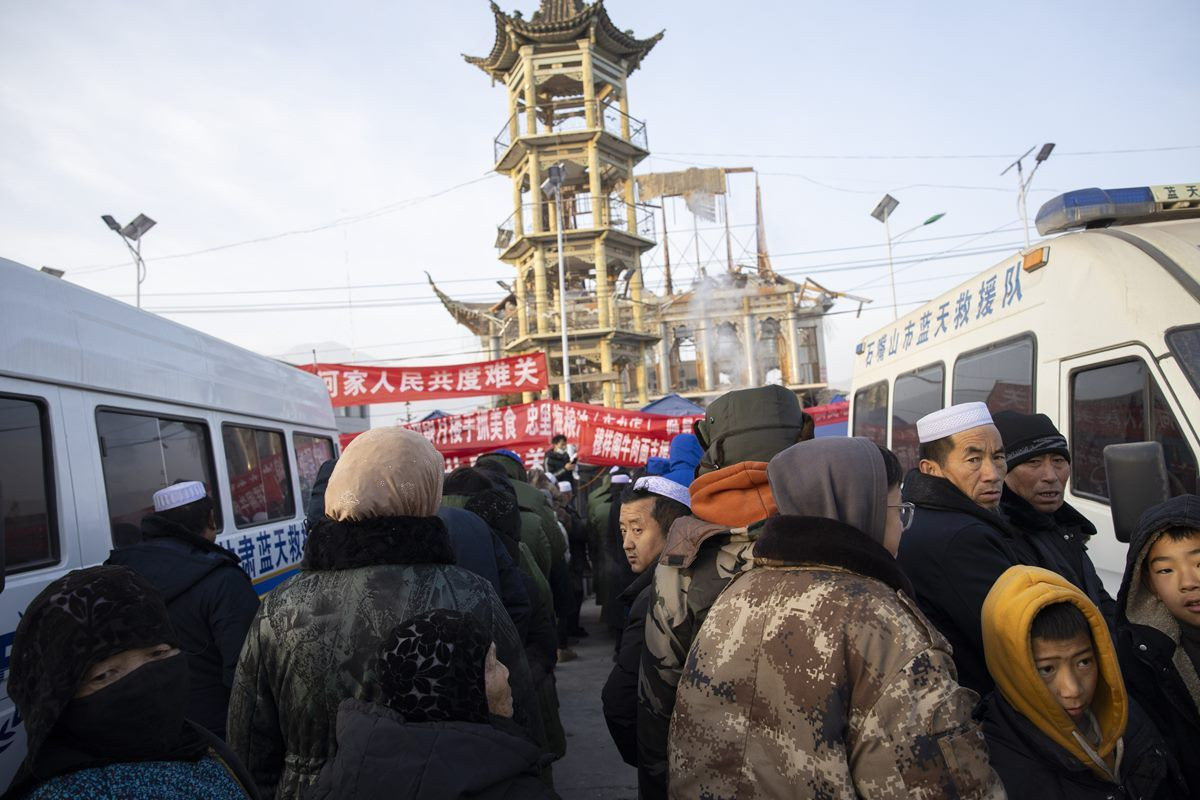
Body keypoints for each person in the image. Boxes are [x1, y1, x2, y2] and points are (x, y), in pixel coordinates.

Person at [670, 438, 1002, 798]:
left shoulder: (738, 592)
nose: (902, 526)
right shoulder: (882, 624)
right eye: (897, 509)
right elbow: (931, 782)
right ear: (863, 509)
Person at [226, 428, 540, 800]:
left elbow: (247, 740)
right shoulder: (468, 593)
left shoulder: (282, 606)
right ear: (426, 491)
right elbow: (519, 715)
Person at [639, 385, 813, 798]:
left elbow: (659, 693)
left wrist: (660, 779)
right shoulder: (841, 524)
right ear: (802, 438)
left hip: (714, 779)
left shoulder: (682, 556)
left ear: (711, 449)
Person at [3, 566, 258, 800]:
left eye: (159, 653)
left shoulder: (192, 741)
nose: (147, 681)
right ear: (55, 701)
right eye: (104, 675)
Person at [979, 565, 1185, 799]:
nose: (1073, 689)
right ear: (1011, 668)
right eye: (1047, 669)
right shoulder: (996, 768)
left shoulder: (1123, 713)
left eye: (1084, 662)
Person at [309, 610, 557, 800]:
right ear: (460, 692)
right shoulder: (520, 790)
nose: (506, 672)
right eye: (491, 665)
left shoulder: (336, 782)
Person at [898, 401, 1045, 693]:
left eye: (999, 457)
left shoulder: (921, 516)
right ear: (932, 469)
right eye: (973, 460)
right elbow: (1020, 638)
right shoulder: (962, 538)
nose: (992, 473)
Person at [106, 480, 259, 739]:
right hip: (214, 734)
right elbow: (248, 673)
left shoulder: (118, 573)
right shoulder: (223, 580)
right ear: (211, 518)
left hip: (144, 731)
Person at [601, 476, 691, 767]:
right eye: (623, 531)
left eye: (637, 530)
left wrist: (648, 759)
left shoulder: (655, 596)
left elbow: (618, 701)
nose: (627, 543)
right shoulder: (691, 579)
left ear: (674, 529)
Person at [994, 411, 1116, 623]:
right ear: (1003, 471)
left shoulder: (1067, 529)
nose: (1050, 476)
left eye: (1059, 460)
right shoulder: (1002, 538)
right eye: (1033, 463)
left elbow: (1099, 603)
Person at [1115, 494, 1200, 795]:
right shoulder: (1140, 659)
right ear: (1147, 582)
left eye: (1199, 563)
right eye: (1166, 570)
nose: (1188, 581)